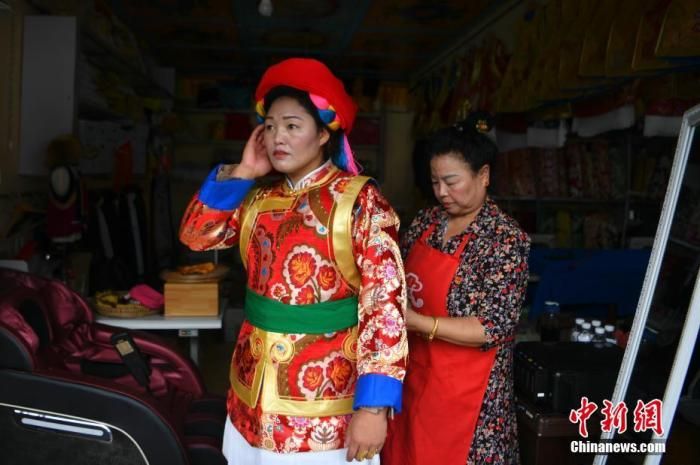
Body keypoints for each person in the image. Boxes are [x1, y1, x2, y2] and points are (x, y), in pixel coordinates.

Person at [179, 58, 407, 465]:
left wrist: (374, 407)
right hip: (252, 396)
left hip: (324, 401)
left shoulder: (359, 200)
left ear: (323, 133)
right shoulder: (257, 198)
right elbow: (196, 236)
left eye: (291, 126)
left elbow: (385, 305)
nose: (277, 137)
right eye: (269, 127)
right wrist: (244, 171)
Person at [382, 116, 530, 465]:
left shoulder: (504, 238)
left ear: (484, 175)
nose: (441, 193)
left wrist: (417, 322)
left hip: (470, 398)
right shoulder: (426, 222)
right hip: (416, 381)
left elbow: (493, 327)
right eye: (435, 182)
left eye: (451, 182)